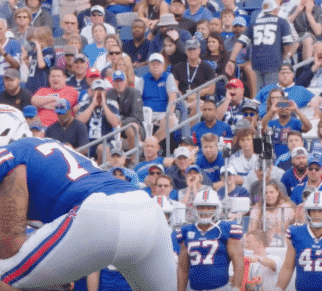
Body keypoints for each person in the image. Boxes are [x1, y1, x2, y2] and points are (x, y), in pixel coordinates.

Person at [0, 104, 176, 290]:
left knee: (6, 277)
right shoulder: (51, 146)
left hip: (101, 214)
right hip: (147, 211)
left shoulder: (12, 154)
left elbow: (10, 242)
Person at [176, 188, 243, 291]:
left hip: (220, 288)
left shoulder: (226, 228)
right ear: (195, 208)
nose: (204, 211)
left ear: (217, 208)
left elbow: (238, 260)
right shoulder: (186, 230)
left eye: (209, 207)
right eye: (201, 207)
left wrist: (236, 288)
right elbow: (182, 267)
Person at [227, 0, 293, 89]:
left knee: (260, 93)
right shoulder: (281, 22)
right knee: (271, 93)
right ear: (275, 10)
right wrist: (283, 55)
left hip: (257, 63)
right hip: (273, 62)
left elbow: (239, 42)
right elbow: (288, 44)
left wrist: (231, 60)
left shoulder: (254, 23)